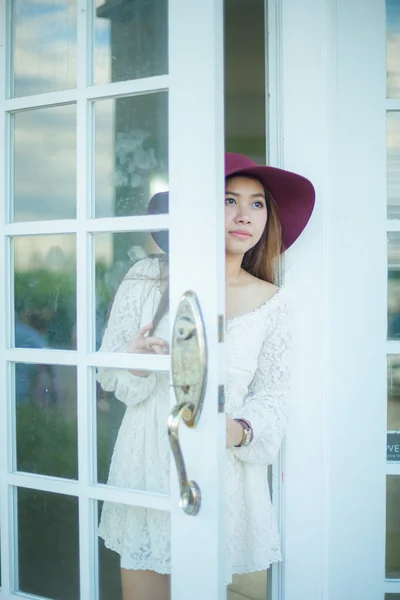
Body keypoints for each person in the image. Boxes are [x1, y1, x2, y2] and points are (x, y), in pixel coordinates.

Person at [96, 152, 315, 600]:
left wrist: (235, 431)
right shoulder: (146, 279)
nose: (243, 215)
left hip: (222, 473)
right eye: (229, 199)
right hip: (147, 461)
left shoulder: (273, 301)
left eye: (257, 204)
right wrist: (135, 360)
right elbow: (109, 370)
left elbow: (275, 393)